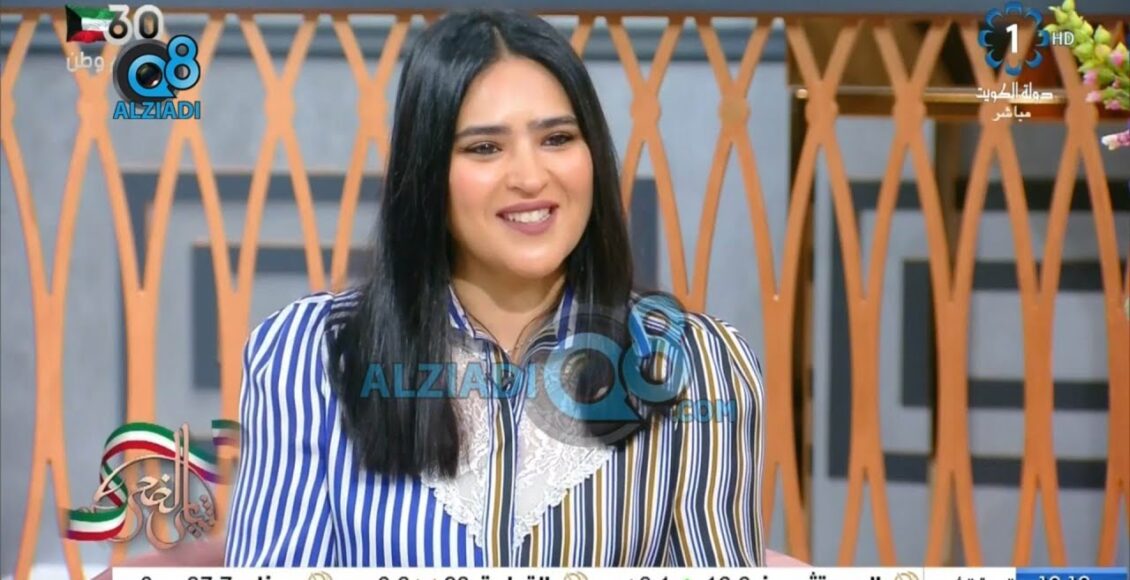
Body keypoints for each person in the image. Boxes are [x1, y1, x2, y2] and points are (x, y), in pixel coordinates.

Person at [94, 9, 807, 575]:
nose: (530, 177)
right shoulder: (312, 355)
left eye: (557, 139)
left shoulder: (696, 364)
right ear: (428, 174)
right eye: (484, 148)